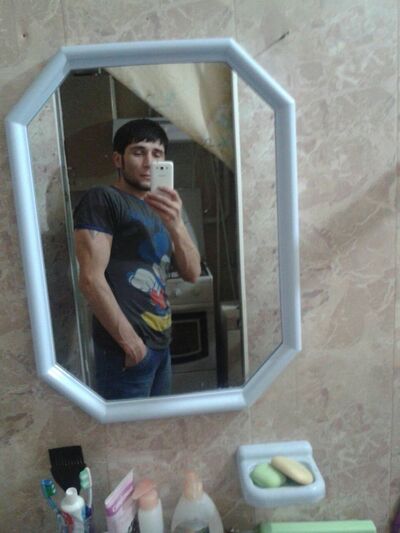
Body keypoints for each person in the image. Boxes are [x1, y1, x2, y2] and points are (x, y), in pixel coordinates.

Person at [73, 118, 201, 399]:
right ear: (118, 159)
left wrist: (177, 224)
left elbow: (192, 273)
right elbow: (90, 279)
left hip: (160, 346)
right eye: (138, 152)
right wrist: (132, 345)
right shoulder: (103, 199)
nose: (149, 163)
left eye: (157, 154)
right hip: (126, 352)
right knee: (127, 429)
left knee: (156, 426)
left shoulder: (164, 209)